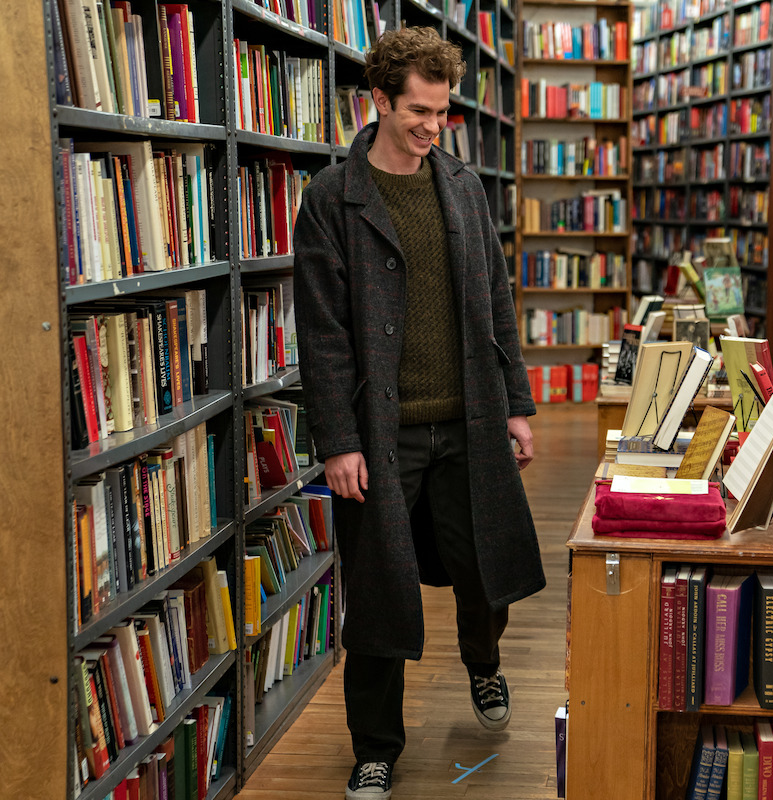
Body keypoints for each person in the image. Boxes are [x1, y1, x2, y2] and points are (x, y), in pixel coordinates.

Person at [291, 27, 545, 800]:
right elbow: (323, 334)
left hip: (469, 421)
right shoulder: (333, 199)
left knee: (488, 571)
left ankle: (485, 663)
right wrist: (338, 440)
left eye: (443, 110)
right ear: (379, 101)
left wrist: (518, 406)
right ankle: (375, 748)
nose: (432, 125)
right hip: (383, 437)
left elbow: (497, 302)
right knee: (379, 598)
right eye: (418, 111)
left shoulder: (463, 185)